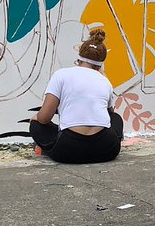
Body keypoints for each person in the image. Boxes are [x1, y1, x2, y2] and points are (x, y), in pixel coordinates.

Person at [29, 29, 124, 163]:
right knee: (116, 118)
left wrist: (36, 118)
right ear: (101, 63)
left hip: (68, 151)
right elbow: (110, 114)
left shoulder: (61, 75)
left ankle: (46, 149)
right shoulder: (105, 81)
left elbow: (44, 118)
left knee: (36, 125)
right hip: (106, 150)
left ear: (79, 57)